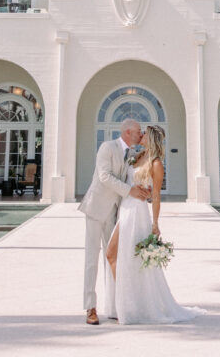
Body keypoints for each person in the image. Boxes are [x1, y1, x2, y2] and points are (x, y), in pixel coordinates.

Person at [105, 125, 204, 325]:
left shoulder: (156, 164)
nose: (140, 135)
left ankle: (128, 306)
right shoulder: (137, 156)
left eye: (144, 134)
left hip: (136, 212)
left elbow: (156, 195)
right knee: (116, 256)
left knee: (115, 255)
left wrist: (156, 223)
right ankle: (127, 304)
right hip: (125, 208)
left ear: (151, 139)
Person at [79, 118, 150, 325]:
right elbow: (104, 176)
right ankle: (90, 307)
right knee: (92, 259)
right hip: (96, 209)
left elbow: (133, 176)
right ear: (128, 132)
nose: (140, 134)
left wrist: (144, 191)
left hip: (115, 213)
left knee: (112, 258)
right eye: (138, 131)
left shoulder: (132, 154)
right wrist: (130, 191)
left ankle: (114, 305)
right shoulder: (107, 147)